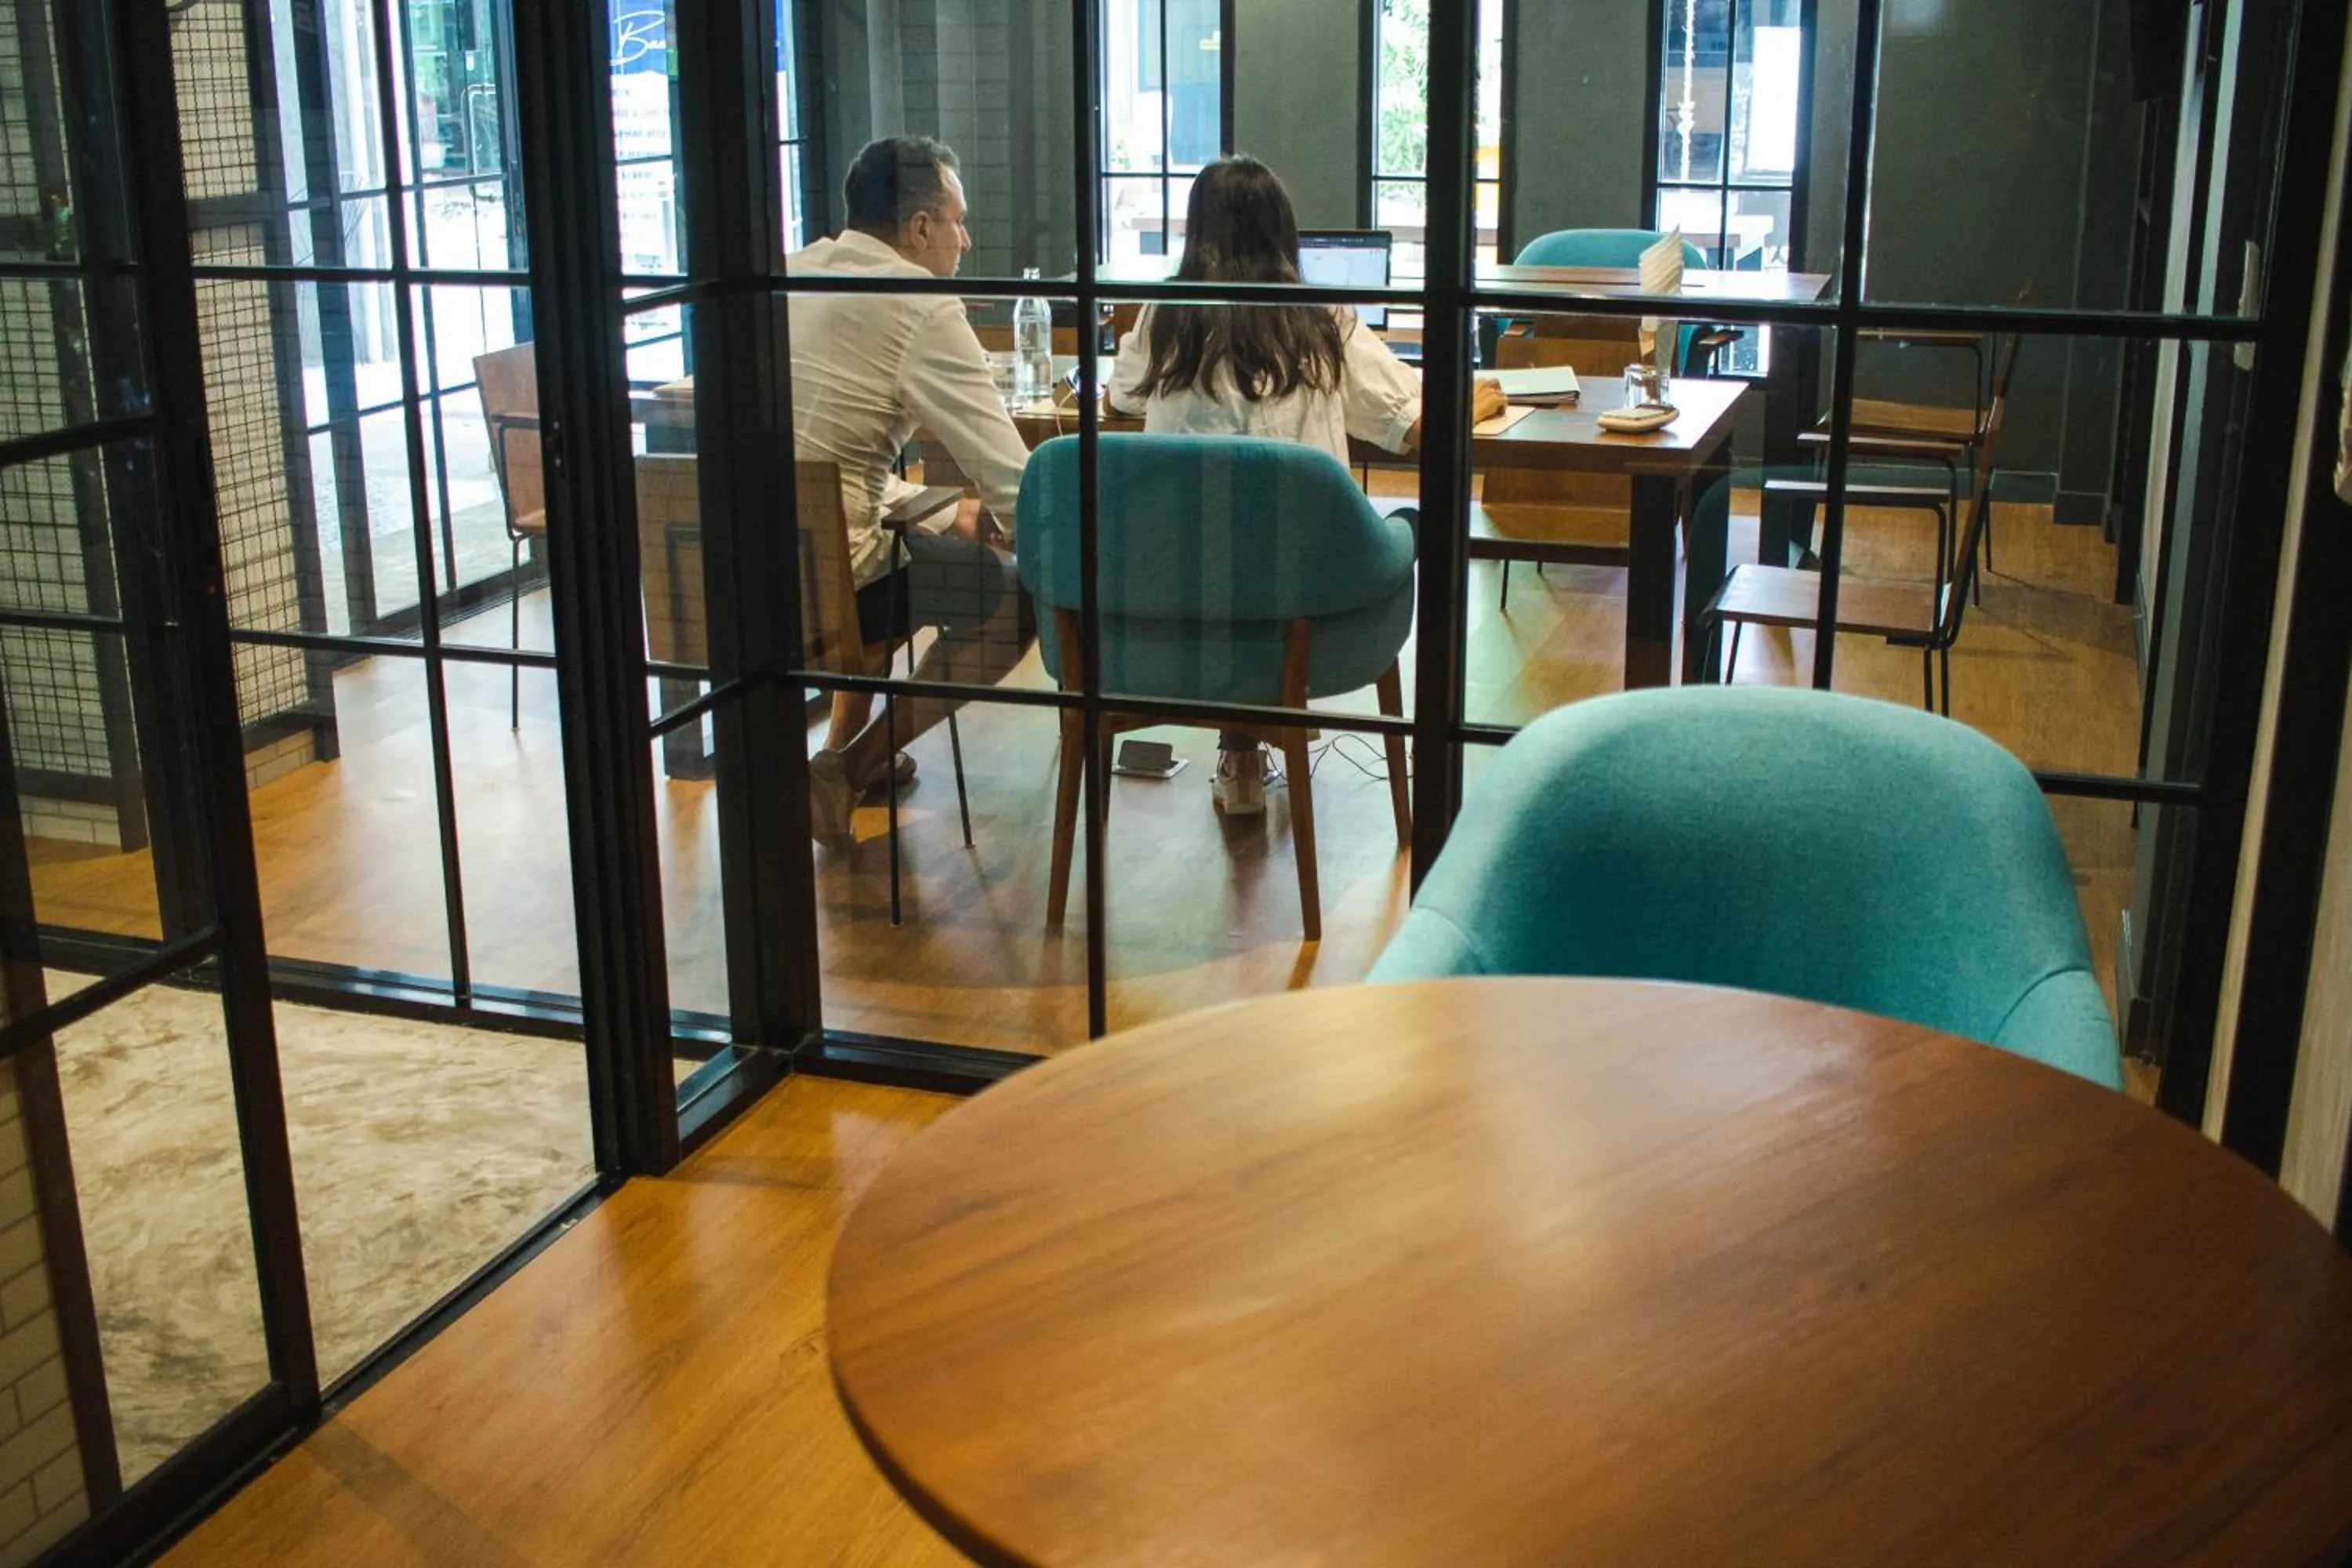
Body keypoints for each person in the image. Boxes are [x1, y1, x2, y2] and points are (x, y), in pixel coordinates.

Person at [1109, 154, 1506, 817]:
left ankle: (1240, 754)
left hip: (1178, 589)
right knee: (1297, 531)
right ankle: (1252, 744)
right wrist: (1480, 401)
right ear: (1283, 231)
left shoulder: (1165, 315)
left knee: (1225, 529)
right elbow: (1417, 426)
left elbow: (1121, 398)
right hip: (1306, 597)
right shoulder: (1319, 319)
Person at [786, 135, 1034, 843]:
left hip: (729, 572)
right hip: (837, 580)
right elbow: (1010, 478)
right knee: (1010, 598)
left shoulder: (789, 271)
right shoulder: (920, 305)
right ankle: (850, 765)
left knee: (912, 548)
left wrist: (932, 507)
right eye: (957, 220)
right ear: (920, 228)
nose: (966, 237)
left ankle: (834, 764)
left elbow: (816, 461)